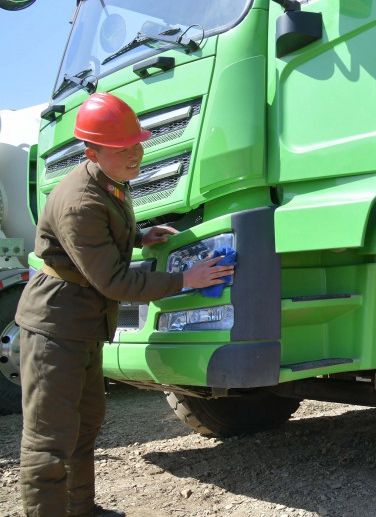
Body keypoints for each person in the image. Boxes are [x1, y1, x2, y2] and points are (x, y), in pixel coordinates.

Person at [16, 93, 234, 517]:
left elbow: (101, 237)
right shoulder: (80, 200)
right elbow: (115, 280)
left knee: (84, 425)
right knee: (49, 439)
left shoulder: (109, 179)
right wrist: (186, 280)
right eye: (123, 148)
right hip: (55, 326)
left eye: (137, 143)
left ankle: (80, 509)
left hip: (80, 323)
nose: (136, 154)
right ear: (91, 151)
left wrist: (140, 236)